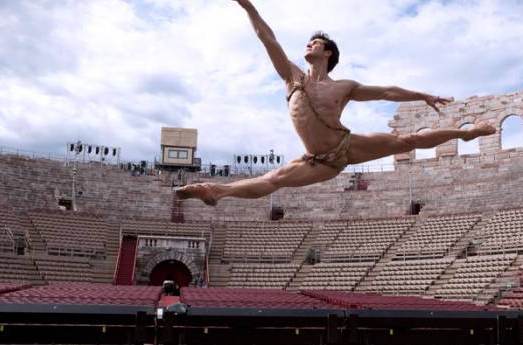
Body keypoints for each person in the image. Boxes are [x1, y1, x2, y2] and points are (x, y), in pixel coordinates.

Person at [176, 0, 496, 206]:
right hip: (318, 160)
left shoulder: (345, 86)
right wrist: (248, 7)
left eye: (315, 42)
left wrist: (421, 95)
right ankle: (215, 191)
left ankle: (464, 134)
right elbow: (267, 39)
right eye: (308, 41)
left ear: (327, 52)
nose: (309, 44)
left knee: (406, 140)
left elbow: (386, 92)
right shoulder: (292, 77)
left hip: (346, 146)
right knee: (271, 181)